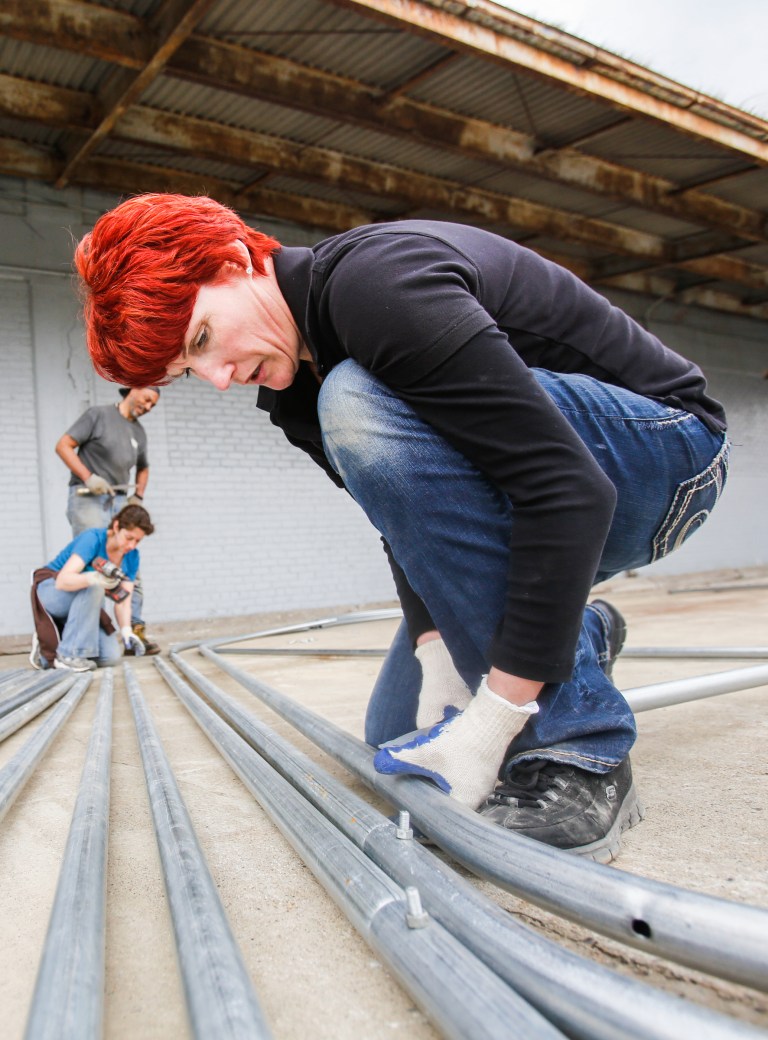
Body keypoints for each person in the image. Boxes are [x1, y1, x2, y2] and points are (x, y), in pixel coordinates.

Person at [73, 194, 730, 860]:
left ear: (236, 259)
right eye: (188, 372)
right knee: (395, 730)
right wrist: (438, 656)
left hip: (665, 456)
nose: (217, 379)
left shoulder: (375, 288)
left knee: (358, 397)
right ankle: (579, 634)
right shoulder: (292, 387)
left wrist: (499, 717)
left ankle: (582, 752)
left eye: (204, 340)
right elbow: (405, 523)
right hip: (551, 500)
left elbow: (569, 489)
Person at [55, 385, 161, 654]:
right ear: (133, 389)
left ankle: (133, 633)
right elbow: (63, 446)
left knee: (127, 563)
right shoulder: (98, 415)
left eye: (153, 405)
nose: (148, 407)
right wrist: (88, 476)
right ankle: (88, 635)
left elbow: (144, 467)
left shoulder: (138, 431)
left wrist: (138, 496)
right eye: (147, 399)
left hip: (119, 502)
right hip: (88, 497)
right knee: (94, 564)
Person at [30, 504, 155, 672]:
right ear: (117, 526)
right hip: (51, 593)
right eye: (129, 537)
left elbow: (123, 599)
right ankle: (68, 656)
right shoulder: (93, 539)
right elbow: (62, 581)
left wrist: (126, 630)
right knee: (94, 587)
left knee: (110, 656)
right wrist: (94, 577)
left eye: (137, 541)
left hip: (82, 603)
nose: (132, 545)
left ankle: (63, 640)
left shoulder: (132, 556)